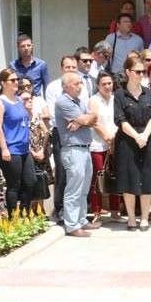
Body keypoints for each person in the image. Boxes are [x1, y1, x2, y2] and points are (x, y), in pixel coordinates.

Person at [113, 56, 151, 231]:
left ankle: (145, 218)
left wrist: (145, 135)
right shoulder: (119, 94)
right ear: (127, 72)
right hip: (127, 140)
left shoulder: (148, 92)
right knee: (129, 178)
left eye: (143, 72)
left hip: (147, 138)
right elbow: (120, 120)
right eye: (137, 71)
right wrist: (137, 136)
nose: (141, 75)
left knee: (147, 178)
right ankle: (131, 218)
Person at [54, 72, 98, 236]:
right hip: (73, 149)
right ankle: (72, 225)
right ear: (65, 86)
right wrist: (85, 120)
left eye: (80, 83)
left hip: (84, 147)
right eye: (76, 84)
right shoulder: (63, 101)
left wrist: (81, 120)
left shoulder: (78, 101)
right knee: (74, 188)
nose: (80, 86)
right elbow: (88, 120)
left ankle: (81, 220)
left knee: (84, 187)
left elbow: (94, 117)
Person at [45, 55, 87, 222]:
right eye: (67, 67)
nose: (71, 69)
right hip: (62, 133)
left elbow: (88, 111)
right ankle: (61, 209)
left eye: (73, 67)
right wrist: (78, 119)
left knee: (80, 174)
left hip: (81, 134)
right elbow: (56, 114)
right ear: (61, 69)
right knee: (63, 172)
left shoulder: (81, 84)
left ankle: (79, 212)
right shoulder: (53, 87)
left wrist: (80, 119)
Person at [0, 69, 37, 217]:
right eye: (12, 80)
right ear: (3, 83)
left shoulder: (18, 100)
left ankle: (24, 213)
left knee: (30, 182)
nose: (16, 83)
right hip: (11, 149)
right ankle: (13, 216)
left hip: (24, 148)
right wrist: (4, 149)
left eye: (17, 80)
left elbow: (25, 119)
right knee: (13, 185)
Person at [88, 71, 122, 223]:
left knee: (116, 176)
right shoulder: (93, 100)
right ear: (98, 86)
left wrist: (113, 138)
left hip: (116, 142)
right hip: (98, 144)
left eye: (109, 83)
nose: (108, 86)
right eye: (104, 84)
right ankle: (96, 211)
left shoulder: (116, 99)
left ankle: (115, 211)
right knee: (98, 177)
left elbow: (121, 120)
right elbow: (95, 122)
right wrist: (107, 137)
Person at [21, 90, 51, 211]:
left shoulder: (37, 115)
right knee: (30, 182)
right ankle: (30, 210)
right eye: (25, 99)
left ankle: (40, 210)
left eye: (30, 98)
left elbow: (46, 132)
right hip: (28, 154)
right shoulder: (20, 117)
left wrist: (42, 150)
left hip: (41, 153)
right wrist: (33, 153)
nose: (29, 101)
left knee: (41, 181)